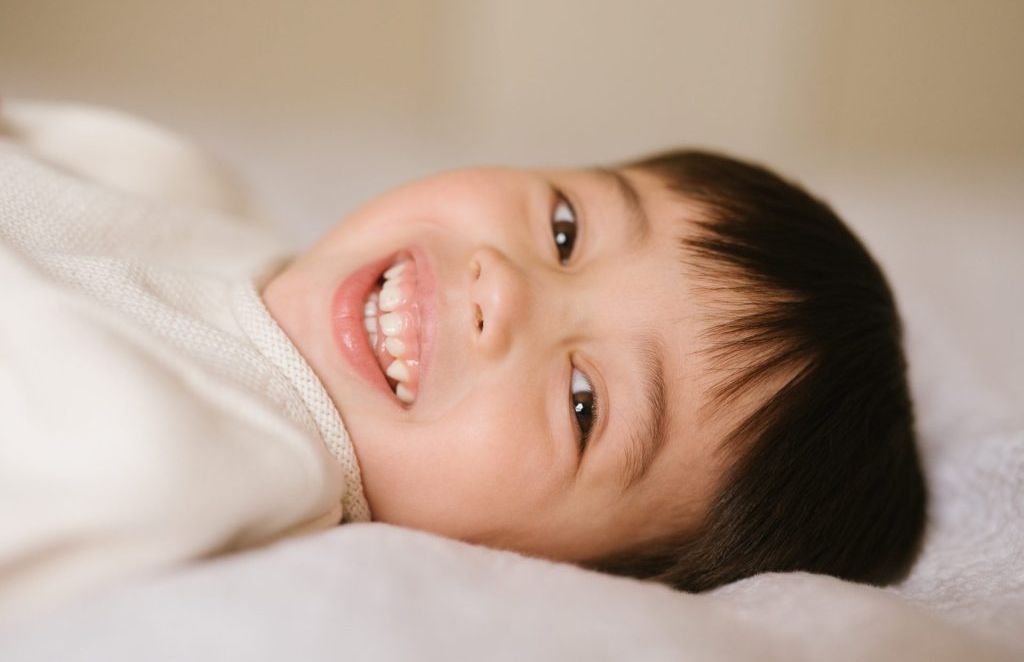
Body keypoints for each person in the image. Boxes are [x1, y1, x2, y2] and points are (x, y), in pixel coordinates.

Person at [0, 101, 925, 618]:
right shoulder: (190, 187)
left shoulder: (194, 463)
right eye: (565, 229)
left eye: (582, 404)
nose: (506, 290)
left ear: (565, 574)